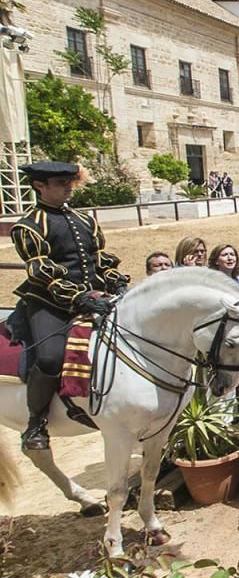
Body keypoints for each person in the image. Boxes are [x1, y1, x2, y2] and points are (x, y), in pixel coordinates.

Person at [10, 162, 128, 451]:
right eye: (61, 183)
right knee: (50, 357)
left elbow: (99, 259)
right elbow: (41, 272)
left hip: (92, 296)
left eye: (70, 182)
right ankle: (36, 423)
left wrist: (117, 283)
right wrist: (77, 298)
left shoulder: (85, 220)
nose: (68, 188)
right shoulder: (28, 226)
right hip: (49, 302)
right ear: (40, 186)